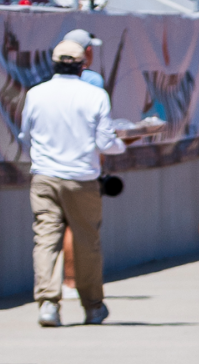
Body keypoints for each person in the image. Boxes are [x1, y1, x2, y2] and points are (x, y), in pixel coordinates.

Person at [21, 36, 130, 327]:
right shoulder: (95, 95)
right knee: (87, 243)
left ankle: (47, 305)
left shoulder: (35, 93)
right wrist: (124, 143)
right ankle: (93, 307)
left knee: (45, 240)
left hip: (44, 176)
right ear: (83, 65)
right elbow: (106, 142)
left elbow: (25, 137)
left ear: (54, 64)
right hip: (82, 177)